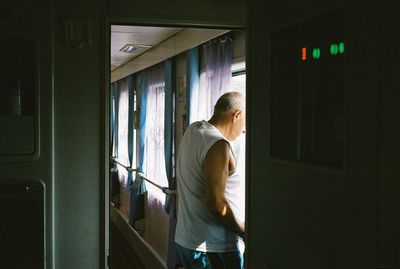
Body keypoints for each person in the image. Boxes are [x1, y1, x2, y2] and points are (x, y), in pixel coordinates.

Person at [175, 91, 246, 269]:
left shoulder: (193, 130)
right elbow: (216, 204)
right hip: (212, 247)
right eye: (246, 121)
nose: (244, 129)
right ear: (236, 115)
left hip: (187, 240)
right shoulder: (218, 145)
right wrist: (243, 231)